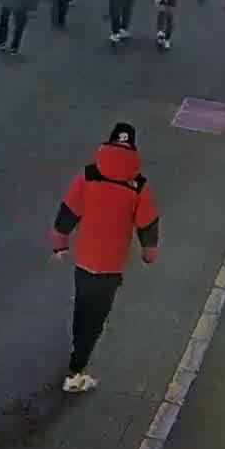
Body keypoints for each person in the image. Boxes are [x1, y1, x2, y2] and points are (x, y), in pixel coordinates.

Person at [49, 123, 161, 394]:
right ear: (132, 148)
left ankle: (77, 352)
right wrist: (149, 254)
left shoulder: (88, 175)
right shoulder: (139, 186)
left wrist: (60, 244)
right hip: (111, 265)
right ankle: (76, 370)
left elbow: (68, 212)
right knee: (96, 318)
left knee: (82, 308)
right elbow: (148, 224)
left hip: (85, 258)